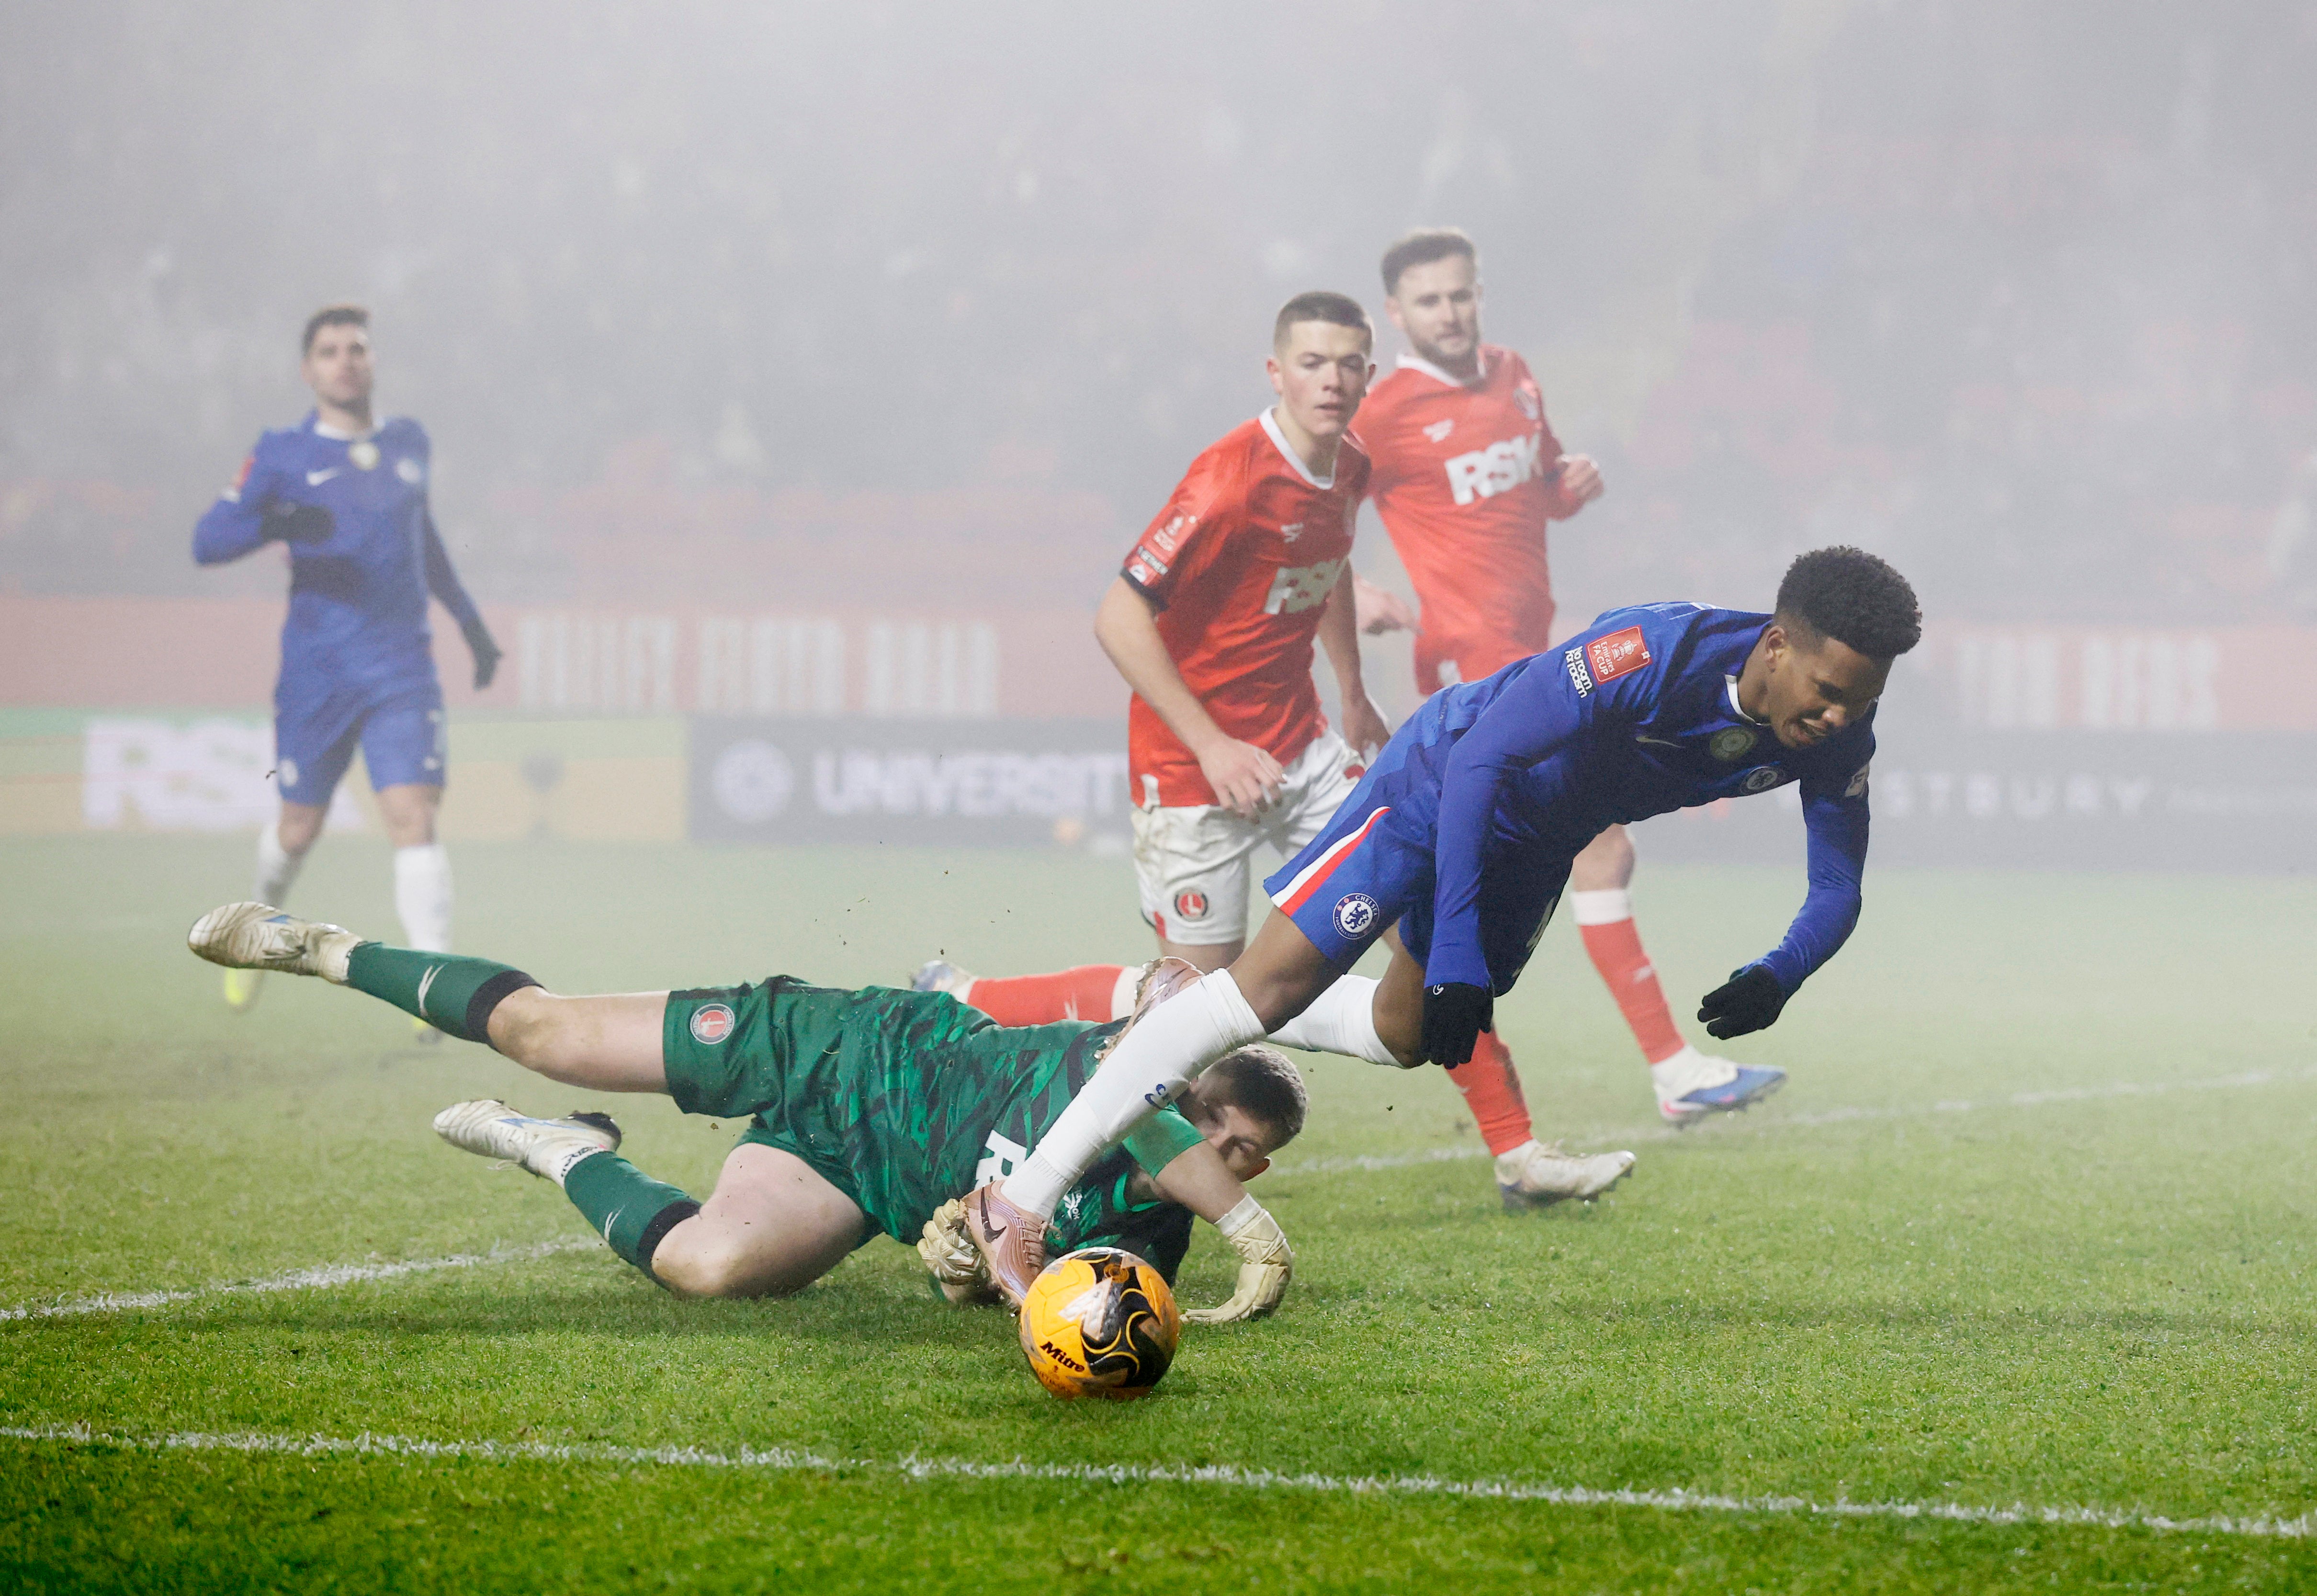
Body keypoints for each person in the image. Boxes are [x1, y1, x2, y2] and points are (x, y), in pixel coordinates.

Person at [957, 547, 1923, 1304]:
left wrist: (1779, 970)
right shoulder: (1651, 652)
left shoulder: (1835, 738)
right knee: (1262, 991)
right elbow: (1484, 760)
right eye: (1828, 691)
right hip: (1439, 784)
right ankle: (1018, 1203)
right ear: (1774, 646)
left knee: (1409, 1032)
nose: (1839, 717)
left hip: (1533, 845)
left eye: (1861, 701)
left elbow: (1838, 885)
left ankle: (1173, 1003)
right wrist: (1455, 944)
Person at [911, 290, 1632, 1209]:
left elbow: (1324, 569)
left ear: (1371, 373)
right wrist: (1211, 745)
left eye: (1348, 365)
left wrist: (1354, 694)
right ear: (1277, 372)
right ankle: (976, 1010)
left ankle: (1518, 1152)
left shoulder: (1351, 464)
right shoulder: (1228, 479)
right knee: (1195, 1009)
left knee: (1430, 910)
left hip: (1301, 751)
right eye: (1313, 363)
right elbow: (1117, 615)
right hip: (1190, 771)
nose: (1332, 381)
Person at [185, 904, 1301, 1320]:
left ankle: (561, 1149)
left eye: (1245, 1158)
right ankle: (327, 948)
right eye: (1215, 1121)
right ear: (1178, 1081)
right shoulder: (1128, 1074)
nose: (1220, 1152)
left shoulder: (1141, 1247)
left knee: (707, 1268)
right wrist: (1254, 1237)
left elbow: (1010, 1278)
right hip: (841, 1048)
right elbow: (1152, 1101)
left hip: (858, 1179)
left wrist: (963, 1269)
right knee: (545, 1032)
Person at [1351, 227, 1777, 1127]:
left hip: (1537, 653)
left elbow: (1530, 488)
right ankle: (1670, 1073)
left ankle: (1610, 1095)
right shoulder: (1384, 411)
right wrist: (1347, 584)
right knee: (1591, 849)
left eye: (1461, 295)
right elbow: (1321, 500)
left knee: (1540, 869)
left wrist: (1565, 487)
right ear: (1398, 313)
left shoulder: (1515, 374)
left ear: (1480, 294)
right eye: (1429, 301)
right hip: (1475, 669)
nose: (1450, 313)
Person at [192, 306, 501, 1025]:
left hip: (402, 665)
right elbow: (208, 541)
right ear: (309, 370)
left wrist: (473, 627)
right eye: (330, 350)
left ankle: (438, 1001)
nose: (346, 360)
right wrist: (276, 523)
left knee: (412, 817)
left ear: (372, 361)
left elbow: (423, 536)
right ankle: (252, 937)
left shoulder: (408, 442)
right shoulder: (281, 452)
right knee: (297, 831)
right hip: (317, 672)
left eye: (357, 348)